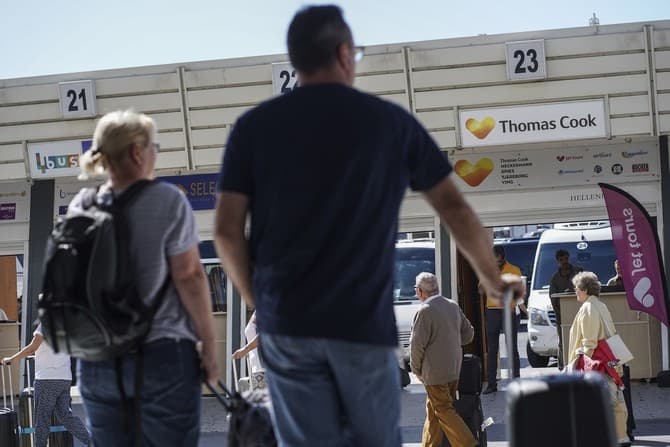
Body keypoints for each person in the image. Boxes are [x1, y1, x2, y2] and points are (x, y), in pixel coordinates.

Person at [214, 5, 524, 446]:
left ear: (296, 60)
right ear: (343, 54)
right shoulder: (388, 122)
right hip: (361, 328)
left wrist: (261, 303)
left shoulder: (252, 128)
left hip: (288, 327)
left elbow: (226, 232)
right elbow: (455, 210)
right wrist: (492, 281)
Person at [72, 110, 218, 446]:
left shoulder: (82, 204)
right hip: (162, 354)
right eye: (156, 146)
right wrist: (209, 346)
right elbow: (191, 275)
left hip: (96, 359)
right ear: (138, 152)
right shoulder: (168, 200)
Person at [410, 272, 476, 447]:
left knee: (444, 410)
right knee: (434, 411)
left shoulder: (424, 311)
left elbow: (416, 346)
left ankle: (469, 444)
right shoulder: (452, 305)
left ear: (420, 291)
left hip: (434, 373)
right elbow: (469, 334)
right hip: (454, 369)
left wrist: (416, 370)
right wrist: (451, 342)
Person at [567, 271, 630, 446]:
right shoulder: (601, 305)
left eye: (577, 288)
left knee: (607, 401)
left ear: (585, 289)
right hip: (609, 360)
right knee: (615, 400)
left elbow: (589, 342)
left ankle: (613, 438)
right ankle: (621, 436)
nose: (575, 292)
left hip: (596, 363)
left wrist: (580, 362)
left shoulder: (588, 308)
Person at [2, 323, 90, 447]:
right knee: (66, 417)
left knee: (42, 419)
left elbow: (33, 347)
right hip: (64, 377)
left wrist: (11, 359)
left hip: (46, 379)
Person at [482, 245, 522, 394]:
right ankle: (492, 384)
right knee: (492, 349)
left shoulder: (514, 270)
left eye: (499, 261)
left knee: (512, 347)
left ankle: (516, 381)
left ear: (503, 257)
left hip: (508, 310)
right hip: (492, 311)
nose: (497, 263)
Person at [549, 249, 582, 369]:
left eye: (566, 259)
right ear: (557, 261)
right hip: (562, 317)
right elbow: (553, 298)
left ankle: (580, 366)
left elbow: (587, 286)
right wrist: (560, 313)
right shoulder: (555, 278)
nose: (564, 262)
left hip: (580, 313)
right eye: (561, 260)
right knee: (563, 342)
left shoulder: (579, 272)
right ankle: (563, 367)